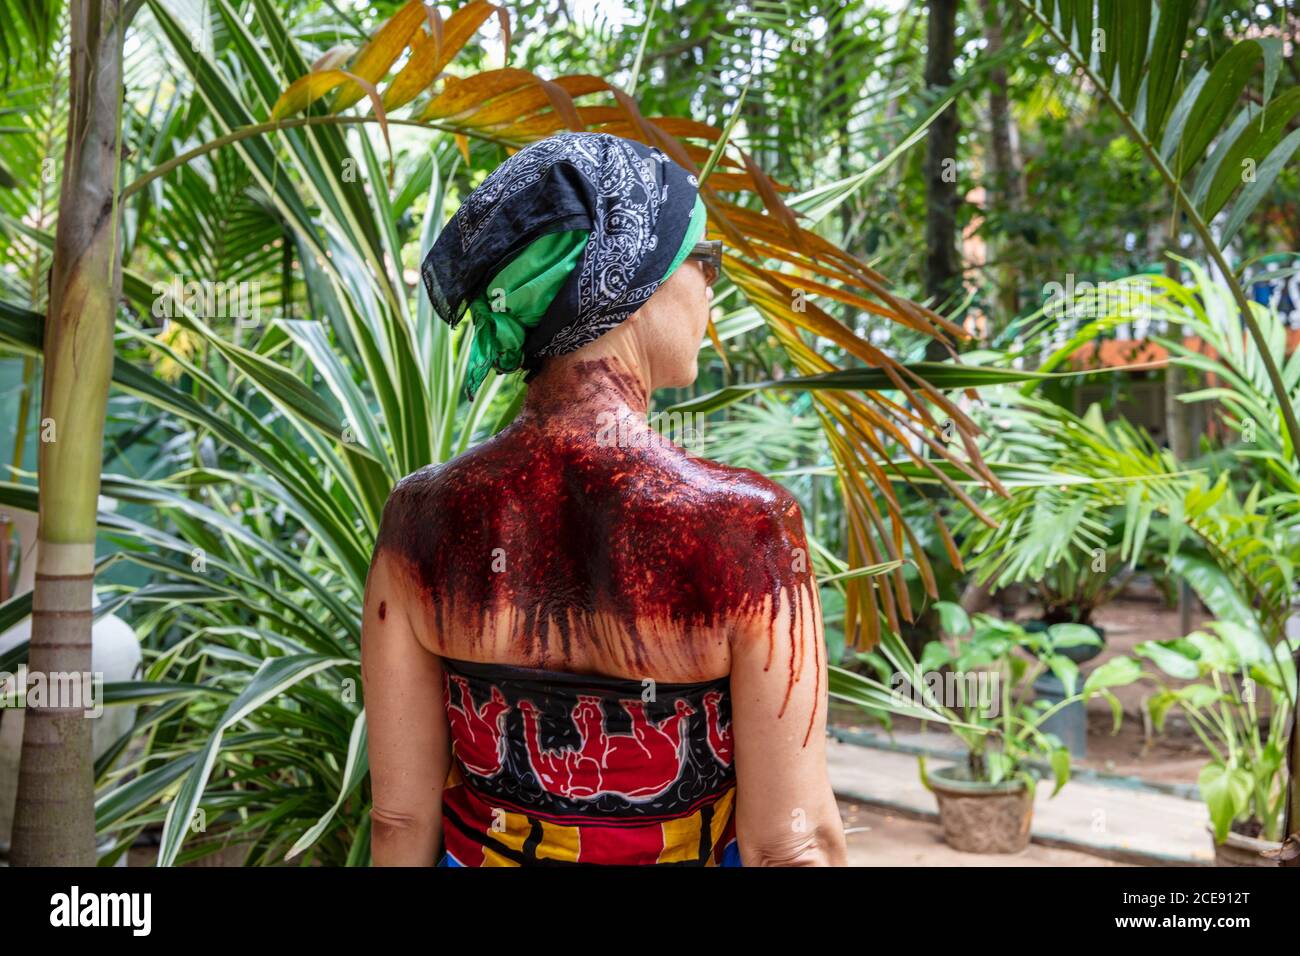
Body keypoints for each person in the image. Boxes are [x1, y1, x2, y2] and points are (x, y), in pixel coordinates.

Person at [362, 131, 846, 866]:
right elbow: (792, 839)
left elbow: (399, 819)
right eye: (703, 258)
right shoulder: (748, 528)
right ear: (632, 282)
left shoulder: (419, 519)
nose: (711, 285)